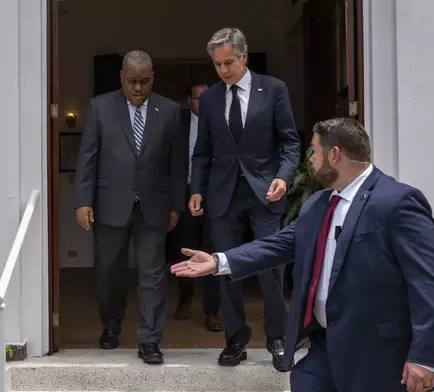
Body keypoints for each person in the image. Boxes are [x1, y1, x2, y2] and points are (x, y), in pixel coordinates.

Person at [172, 117, 434, 391]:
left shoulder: (397, 201)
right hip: (322, 352)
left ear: (334, 155)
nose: (309, 160)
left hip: (377, 356)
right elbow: (279, 245)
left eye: (314, 152)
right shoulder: (319, 203)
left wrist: (424, 357)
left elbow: (433, 282)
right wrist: (219, 261)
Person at [189, 27, 301, 366]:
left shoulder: (274, 89)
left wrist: (283, 178)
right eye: (217, 64)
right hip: (222, 195)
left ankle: (278, 338)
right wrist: (196, 189)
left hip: (264, 193)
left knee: (270, 267)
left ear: (244, 57)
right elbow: (202, 152)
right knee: (224, 269)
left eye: (229, 63)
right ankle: (235, 338)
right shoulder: (209, 98)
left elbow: (290, 142)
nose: (223, 71)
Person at [73, 50, 186, 364]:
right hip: (110, 203)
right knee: (109, 273)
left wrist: (176, 204)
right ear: (121, 78)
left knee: (152, 275)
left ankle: (150, 340)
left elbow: (176, 163)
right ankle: (110, 327)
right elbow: (88, 157)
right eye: (132, 81)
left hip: (154, 205)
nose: (138, 88)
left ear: (153, 78)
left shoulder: (170, 110)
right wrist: (83, 200)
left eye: (144, 81)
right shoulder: (100, 107)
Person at [165, 80, 222, 331]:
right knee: (184, 249)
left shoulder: (221, 120)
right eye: (198, 98)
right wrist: (174, 202)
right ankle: (185, 298)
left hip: (215, 195)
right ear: (189, 100)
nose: (203, 102)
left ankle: (212, 311)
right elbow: (170, 164)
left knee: (213, 251)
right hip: (186, 192)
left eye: (207, 97)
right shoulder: (179, 124)